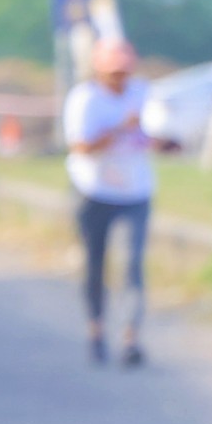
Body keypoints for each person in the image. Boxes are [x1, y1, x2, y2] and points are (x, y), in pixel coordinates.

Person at [63, 36, 173, 366]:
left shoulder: (143, 94)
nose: (119, 77)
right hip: (93, 191)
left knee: (131, 264)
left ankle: (130, 337)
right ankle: (96, 328)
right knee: (95, 263)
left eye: (124, 70)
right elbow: (81, 147)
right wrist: (120, 128)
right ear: (99, 70)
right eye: (114, 72)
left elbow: (157, 137)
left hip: (135, 192)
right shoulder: (85, 99)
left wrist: (162, 140)